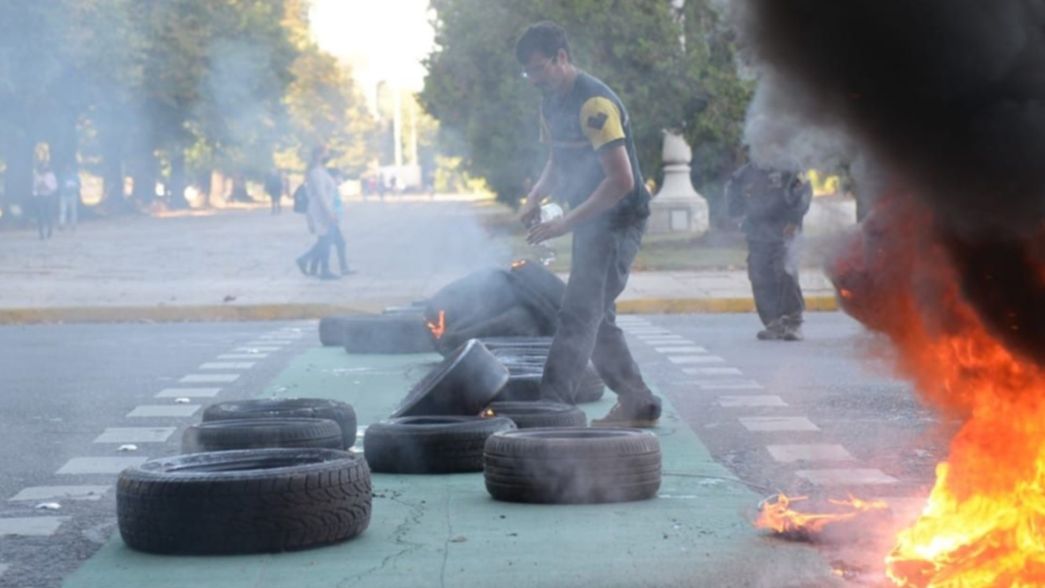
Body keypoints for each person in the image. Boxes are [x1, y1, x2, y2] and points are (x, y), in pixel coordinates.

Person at [515, 22, 661, 428]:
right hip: (592, 222)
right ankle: (639, 402)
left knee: (580, 314)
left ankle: (552, 408)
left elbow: (621, 181)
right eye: (528, 72)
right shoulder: (550, 103)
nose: (534, 79)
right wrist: (535, 197)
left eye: (539, 69)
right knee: (597, 315)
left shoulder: (594, 104)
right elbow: (558, 161)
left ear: (562, 58)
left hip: (619, 221)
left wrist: (565, 223)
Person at [726, 160, 813, 341]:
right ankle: (773, 323)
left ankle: (793, 323)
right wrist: (738, 217)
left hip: (784, 232)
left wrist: (794, 221)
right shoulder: (745, 173)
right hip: (757, 234)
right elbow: (733, 194)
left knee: (786, 273)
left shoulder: (788, 168)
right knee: (759, 276)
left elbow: (803, 194)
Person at [295, 146, 340, 280]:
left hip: (323, 209)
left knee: (326, 239)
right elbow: (321, 195)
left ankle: (318, 267)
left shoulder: (321, 171)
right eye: (326, 153)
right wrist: (329, 212)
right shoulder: (316, 173)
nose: (328, 156)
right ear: (319, 155)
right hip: (320, 210)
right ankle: (309, 262)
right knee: (326, 240)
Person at [32, 163, 58, 240]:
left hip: (49, 197)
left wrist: (47, 186)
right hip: (40, 197)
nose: (43, 170)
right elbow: (34, 187)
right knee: (40, 215)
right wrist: (37, 189)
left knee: (49, 215)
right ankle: (41, 233)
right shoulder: (36, 176)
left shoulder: (51, 175)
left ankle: (50, 230)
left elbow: (55, 186)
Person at [58, 165, 80, 230]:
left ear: (71, 168)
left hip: (73, 195)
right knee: (63, 211)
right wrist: (64, 188)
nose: (67, 168)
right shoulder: (62, 176)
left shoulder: (75, 176)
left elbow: (79, 185)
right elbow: (59, 185)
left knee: (73, 211)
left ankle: (73, 225)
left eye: (69, 167)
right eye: (66, 167)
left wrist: (74, 187)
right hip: (64, 195)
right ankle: (62, 224)